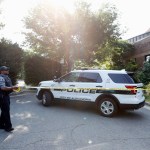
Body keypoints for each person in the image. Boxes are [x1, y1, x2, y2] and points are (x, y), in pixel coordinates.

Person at [0, 66, 18, 132]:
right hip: (2, 96)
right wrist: (13, 87)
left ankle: (1, 125)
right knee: (6, 111)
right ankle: (8, 127)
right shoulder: (1, 77)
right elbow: (3, 88)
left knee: (4, 111)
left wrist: (13, 88)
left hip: (5, 96)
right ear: (1, 71)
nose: (8, 70)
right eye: (6, 70)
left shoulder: (6, 77)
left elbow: (8, 87)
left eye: (8, 69)